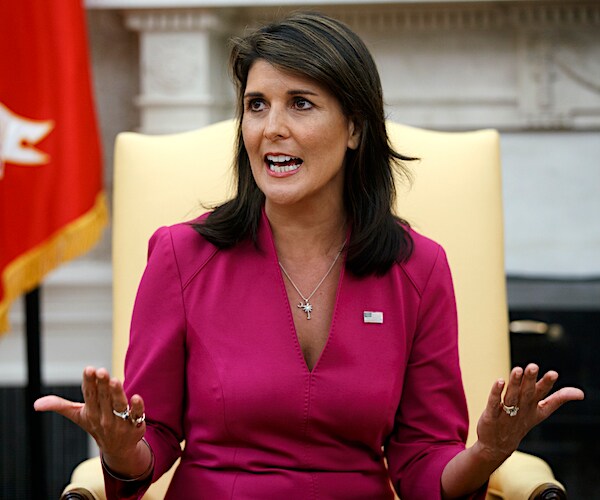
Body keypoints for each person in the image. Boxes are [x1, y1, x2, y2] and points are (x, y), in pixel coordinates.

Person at [35, 11, 584, 499]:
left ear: (355, 128)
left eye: (300, 104)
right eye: (256, 105)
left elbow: (423, 461)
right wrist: (120, 448)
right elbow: (151, 439)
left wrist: (486, 453)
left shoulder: (419, 268)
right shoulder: (181, 254)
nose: (272, 129)